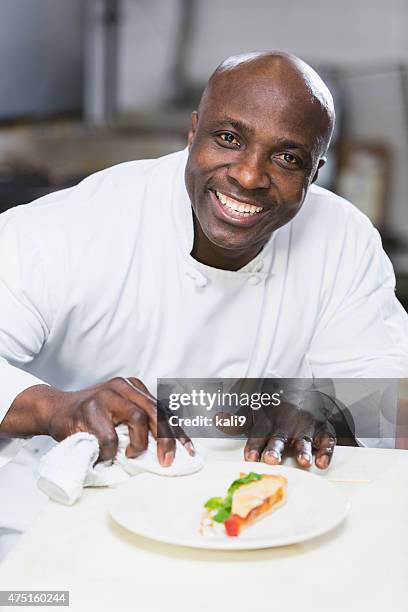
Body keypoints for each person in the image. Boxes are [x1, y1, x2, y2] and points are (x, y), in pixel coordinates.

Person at [0, 50, 407, 489]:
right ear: (193, 131)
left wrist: (324, 408)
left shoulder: (342, 239)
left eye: (287, 158)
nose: (250, 177)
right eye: (230, 138)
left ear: (315, 173)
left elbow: (385, 398)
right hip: (61, 512)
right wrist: (55, 406)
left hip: (253, 510)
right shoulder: (73, 225)